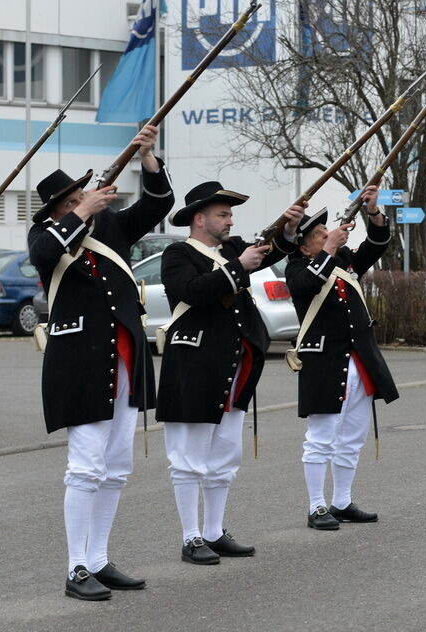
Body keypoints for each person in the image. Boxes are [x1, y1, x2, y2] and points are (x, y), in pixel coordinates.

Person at [28, 125, 174, 601]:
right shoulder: (45, 233)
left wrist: (147, 158)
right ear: (56, 209)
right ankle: (75, 568)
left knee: (116, 466)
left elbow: (158, 205)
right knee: (85, 467)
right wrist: (80, 214)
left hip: (126, 358)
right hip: (80, 361)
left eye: (80, 196)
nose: (81, 201)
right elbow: (47, 253)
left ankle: (99, 558)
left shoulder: (110, 227)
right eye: (70, 200)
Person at [156, 182, 303, 565]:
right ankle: (190, 537)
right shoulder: (177, 254)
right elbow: (191, 291)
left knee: (224, 456)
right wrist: (239, 268)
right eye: (223, 214)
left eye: (230, 214)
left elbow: (272, 251)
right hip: (194, 365)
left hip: (233, 367)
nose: (230, 220)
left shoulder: (232, 248)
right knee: (189, 457)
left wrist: (287, 230)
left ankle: (214, 531)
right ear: (199, 218)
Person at [284, 186, 399, 531]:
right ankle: (317, 505)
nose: (327, 235)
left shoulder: (342, 260)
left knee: (352, 437)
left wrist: (373, 212)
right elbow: (308, 284)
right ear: (304, 244)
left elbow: (377, 244)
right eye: (319, 234)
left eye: (326, 232)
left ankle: (342, 500)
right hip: (324, 360)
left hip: (358, 360)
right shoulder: (296, 267)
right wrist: (331, 248)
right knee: (320, 438)